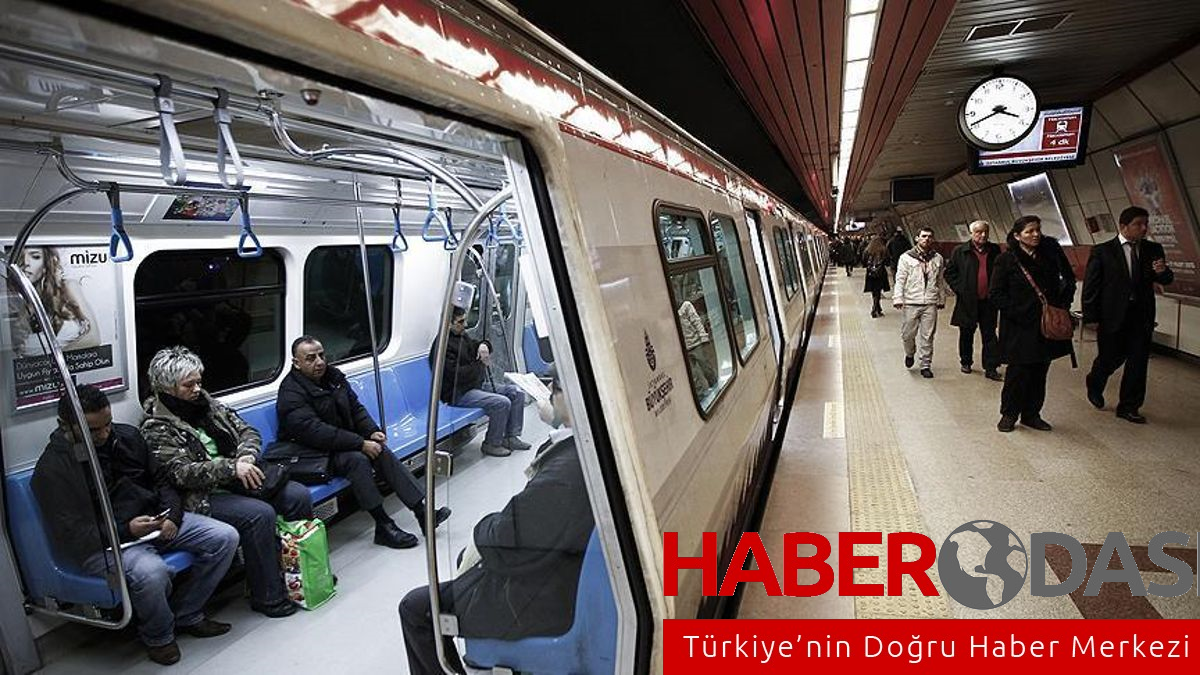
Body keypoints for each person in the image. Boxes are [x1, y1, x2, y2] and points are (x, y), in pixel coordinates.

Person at [399, 373, 594, 675]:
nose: (549, 394)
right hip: (563, 573)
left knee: (416, 607)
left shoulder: (562, 473)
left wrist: (483, 527)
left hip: (542, 599)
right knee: (464, 561)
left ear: (573, 399)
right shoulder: (588, 449)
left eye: (554, 388)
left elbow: (505, 538)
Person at [32, 385, 238, 665]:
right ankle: (159, 637)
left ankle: (187, 612)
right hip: (106, 544)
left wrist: (172, 516)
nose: (104, 435)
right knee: (151, 572)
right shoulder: (52, 470)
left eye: (107, 424)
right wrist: (126, 529)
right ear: (64, 425)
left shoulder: (127, 437)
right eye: (93, 430)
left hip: (153, 521)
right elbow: (73, 535)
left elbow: (162, 481)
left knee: (224, 537)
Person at [141, 346, 311, 618]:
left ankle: (302, 575)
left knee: (297, 495)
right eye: (188, 385)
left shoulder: (208, 405)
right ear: (167, 388)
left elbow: (247, 431)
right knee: (259, 515)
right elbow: (180, 473)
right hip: (203, 495)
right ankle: (267, 596)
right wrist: (231, 468)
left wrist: (246, 455)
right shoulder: (156, 427)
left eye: (199, 381)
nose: (197, 389)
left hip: (240, 475)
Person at [276, 336, 450, 549]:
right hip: (310, 453)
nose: (319, 362)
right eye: (311, 358)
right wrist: (360, 443)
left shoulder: (333, 377)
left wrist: (372, 431)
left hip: (337, 444)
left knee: (379, 450)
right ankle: (383, 525)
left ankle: (423, 513)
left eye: (321, 355)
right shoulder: (290, 393)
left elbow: (355, 409)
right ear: (296, 363)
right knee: (357, 459)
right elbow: (315, 432)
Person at [1083, 206, 1174, 423]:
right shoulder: (1103, 251)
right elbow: (1091, 286)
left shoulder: (1153, 249)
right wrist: (1091, 317)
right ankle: (1095, 382)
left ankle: (1129, 406)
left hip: (1141, 316)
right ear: (1123, 226)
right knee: (1109, 358)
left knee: (1138, 362)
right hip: (1112, 316)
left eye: (1145, 224)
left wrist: (1163, 272)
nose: (1143, 228)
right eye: (1138, 224)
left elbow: (1165, 278)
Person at [989, 216, 1076, 432]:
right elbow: (996, 293)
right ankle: (1009, 414)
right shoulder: (1006, 260)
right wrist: (1018, 312)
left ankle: (1032, 414)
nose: (1035, 235)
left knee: (1040, 370)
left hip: (1046, 324)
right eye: (1029, 231)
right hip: (1019, 326)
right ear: (1017, 236)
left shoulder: (1050, 254)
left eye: (1037, 230)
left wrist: (1061, 305)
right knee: (1018, 371)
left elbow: (1069, 280)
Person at [429, 308, 530, 458]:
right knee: (501, 403)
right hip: (458, 393)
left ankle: (511, 437)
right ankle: (492, 443)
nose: (465, 325)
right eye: (460, 322)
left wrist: (484, 345)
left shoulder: (462, 336)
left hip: (474, 386)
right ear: (448, 323)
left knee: (516, 393)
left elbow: (476, 346)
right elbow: (458, 376)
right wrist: (480, 364)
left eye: (465, 320)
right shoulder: (442, 347)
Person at [13, 246, 101, 356]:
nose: (26, 263)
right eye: (21, 257)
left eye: (35, 257)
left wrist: (57, 357)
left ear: (46, 263)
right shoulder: (13, 300)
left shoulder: (68, 287)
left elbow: (94, 338)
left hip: (72, 363)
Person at [945, 220, 1003, 380]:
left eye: (985, 232)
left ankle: (991, 367)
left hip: (988, 302)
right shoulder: (960, 251)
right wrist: (960, 289)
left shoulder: (994, 250)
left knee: (989, 335)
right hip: (967, 301)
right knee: (966, 333)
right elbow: (949, 273)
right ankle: (966, 362)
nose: (983, 235)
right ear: (971, 233)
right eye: (978, 232)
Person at [893, 227, 948, 378]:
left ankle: (925, 365)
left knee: (928, 336)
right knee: (907, 335)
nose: (926, 239)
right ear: (917, 238)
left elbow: (940, 281)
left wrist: (941, 298)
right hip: (911, 301)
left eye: (929, 236)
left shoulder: (938, 258)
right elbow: (900, 279)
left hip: (930, 302)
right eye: (923, 236)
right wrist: (898, 298)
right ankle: (910, 353)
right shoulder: (906, 258)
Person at [677, 297, 717, 394]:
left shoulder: (686, 305)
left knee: (706, 367)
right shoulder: (669, 314)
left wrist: (703, 337)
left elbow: (696, 321)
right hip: (684, 349)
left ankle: (715, 384)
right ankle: (701, 393)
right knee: (693, 375)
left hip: (696, 343)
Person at [861, 235, 890, 318]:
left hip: (870, 273)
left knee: (874, 292)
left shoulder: (867, 250)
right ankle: (874, 308)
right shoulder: (884, 249)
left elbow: (863, 261)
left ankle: (877, 308)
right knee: (878, 291)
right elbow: (887, 262)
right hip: (881, 273)